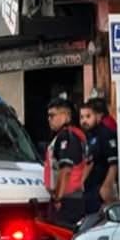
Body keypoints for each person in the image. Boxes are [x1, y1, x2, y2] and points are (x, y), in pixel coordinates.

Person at [44, 97, 88, 228]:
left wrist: (58, 197)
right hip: (71, 198)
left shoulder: (67, 136)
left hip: (68, 199)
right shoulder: (71, 134)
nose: (49, 119)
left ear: (65, 115)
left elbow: (66, 170)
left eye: (52, 115)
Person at [80, 100, 119, 216]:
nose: (84, 121)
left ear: (98, 116)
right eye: (81, 117)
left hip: (100, 188)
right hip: (90, 189)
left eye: (88, 116)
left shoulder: (105, 134)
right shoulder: (89, 136)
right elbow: (89, 161)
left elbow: (113, 163)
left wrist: (107, 186)